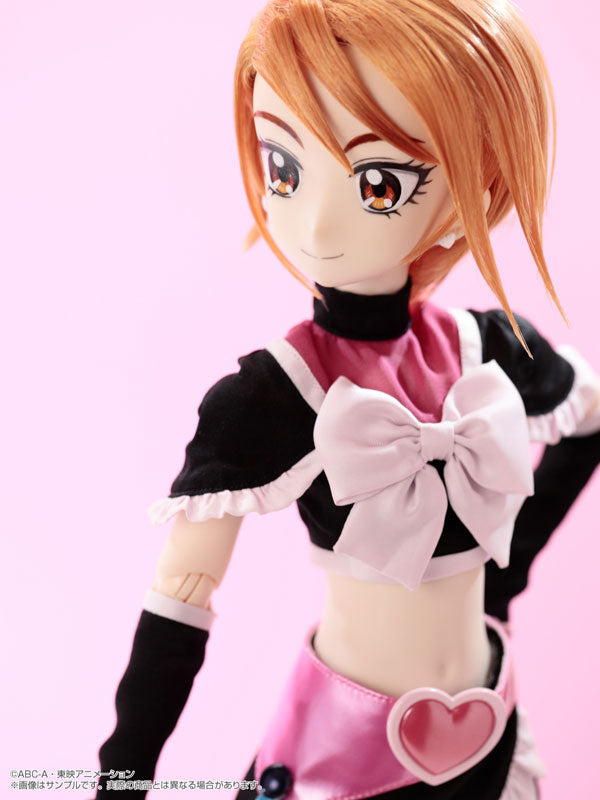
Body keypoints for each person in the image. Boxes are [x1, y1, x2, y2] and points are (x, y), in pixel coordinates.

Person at [95, 1, 600, 798]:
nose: (317, 224)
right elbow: (181, 595)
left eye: (379, 183)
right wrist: (121, 778)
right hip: (342, 754)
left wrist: (509, 570)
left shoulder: (487, 349)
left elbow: (591, 419)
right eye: (284, 169)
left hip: (490, 728)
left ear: (478, 182)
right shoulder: (274, 394)